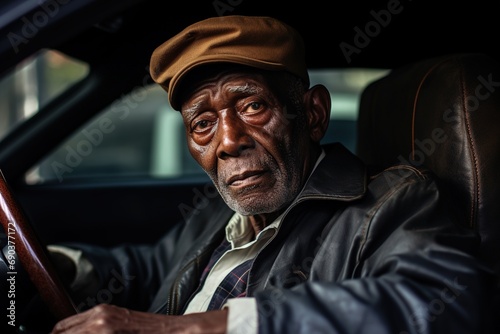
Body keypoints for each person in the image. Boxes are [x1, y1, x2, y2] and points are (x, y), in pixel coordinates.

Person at [49, 15, 493, 333]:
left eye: (251, 106)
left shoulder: (390, 204)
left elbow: (441, 301)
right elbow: (151, 270)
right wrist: (63, 268)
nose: (227, 141)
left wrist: (203, 327)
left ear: (313, 113)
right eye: (202, 123)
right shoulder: (215, 214)